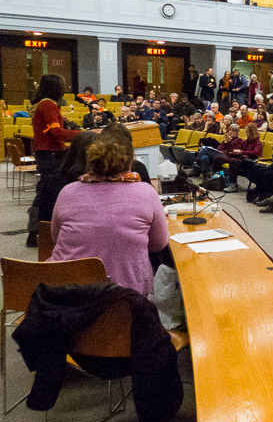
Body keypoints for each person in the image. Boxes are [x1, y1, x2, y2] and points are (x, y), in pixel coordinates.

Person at [50, 126, 169, 296]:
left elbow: (56, 237)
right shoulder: (146, 192)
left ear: (90, 161)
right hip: (125, 297)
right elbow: (158, 244)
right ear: (130, 163)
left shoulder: (67, 192)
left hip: (65, 294)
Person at [26, 74, 81, 247]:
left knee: (44, 192)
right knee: (50, 195)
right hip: (51, 155)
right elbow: (56, 133)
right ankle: (43, 233)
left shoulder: (44, 104)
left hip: (47, 153)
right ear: (55, 87)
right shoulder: (48, 104)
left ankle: (35, 232)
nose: (64, 88)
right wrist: (82, 135)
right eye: (62, 85)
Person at [221, 123, 262, 193]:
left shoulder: (258, 142)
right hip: (243, 159)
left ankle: (233, 184)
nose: (246, 134)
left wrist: (241, 152)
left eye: (247, 132)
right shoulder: (246, 141)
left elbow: (255, 153)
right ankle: (224, 181)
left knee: (233, 161)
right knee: (225, 158)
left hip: (250, 161)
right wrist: (235, 152)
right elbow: (241, 150)